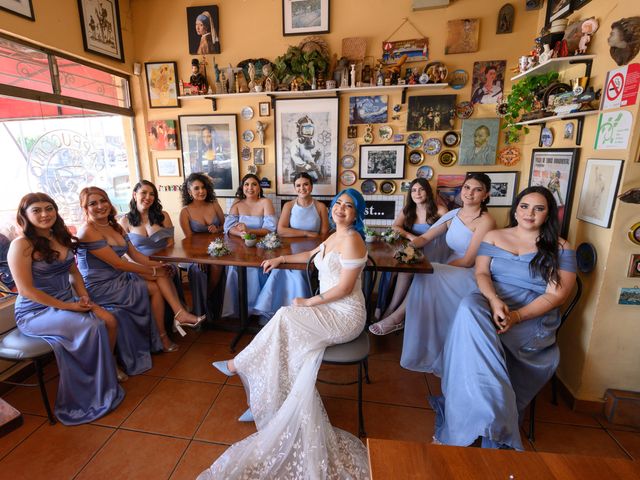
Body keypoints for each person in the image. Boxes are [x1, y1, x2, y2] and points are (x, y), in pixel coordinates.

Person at [201, 188, 371, 479]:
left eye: (349, 206)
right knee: (283, 332)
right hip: (329, 309)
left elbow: (344, 289)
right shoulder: (333, 235)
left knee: (285, 317)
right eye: (338, 203)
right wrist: (281, 259)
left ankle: (240, 367)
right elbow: (313, 253)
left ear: (357, 213)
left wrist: (308, 301)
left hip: (346, 315)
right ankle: (264, 397)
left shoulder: (353, 240)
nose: (341, 209)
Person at [431, 186, 576, 450]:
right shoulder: (495, 236)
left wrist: (518, 316)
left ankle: (490, 422)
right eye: (524, 206)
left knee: (472, 335)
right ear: (515, 208)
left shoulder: (561, 247)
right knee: (468, 307)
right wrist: (495, 300)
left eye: (538, 208)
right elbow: (482, 274)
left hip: (533, 313)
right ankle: (489, 418)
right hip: (492, 299)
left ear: (548, 214)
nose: (529, 213)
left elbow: (557, 296)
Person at [8, 193, 124, 424]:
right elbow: (26, 290)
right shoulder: (20, 245)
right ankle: (88, 391)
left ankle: (104, 376)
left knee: (109, 320)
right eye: (37, 210)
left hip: (67, 302)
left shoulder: (60, 237)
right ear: (25, 216)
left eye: (49, 208)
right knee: (91, 326)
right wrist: (68, 306)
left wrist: (84, 298)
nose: (44, 214)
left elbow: (74, 273)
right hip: (34, 311)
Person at [76, 187, 199, 373]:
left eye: (103, 201)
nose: (100, 206)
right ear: (85, 208)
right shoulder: (88, 231)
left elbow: (136, 255)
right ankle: (171, 326)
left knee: (161, 276)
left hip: (119, 278)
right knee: (157, 280)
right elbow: (119, 264)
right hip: (101, 285)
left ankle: (169, 327)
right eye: (93, 203)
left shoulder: (114, 226)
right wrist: (152, 271)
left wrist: (157, 266)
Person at [401, 173, 496, 374]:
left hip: (471, 271)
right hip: (450, 266)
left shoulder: (486, 221)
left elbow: (469, 259)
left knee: (428, 272)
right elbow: (426, 237)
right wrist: (408, 248)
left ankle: (397, 316)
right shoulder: (453, 214)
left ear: (485, 195)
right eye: (467, 188)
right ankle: (422, 345)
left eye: (477, 189)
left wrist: (438, 265)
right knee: (425, 271)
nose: (470, 193)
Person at [119, 180, 204, 336]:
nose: (148, 197)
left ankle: (172, 322)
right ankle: (178, 315)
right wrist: (143, 266)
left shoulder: (163, 216)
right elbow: (123, 253)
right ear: (134, 195)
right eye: (144, 193)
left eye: (152, 194)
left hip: (164, 261)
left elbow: (171, 244)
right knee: (159, 274)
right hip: (138, 266)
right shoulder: (124, 221)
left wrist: (165, 261)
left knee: (163, 271)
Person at [369, 178, 449, 335]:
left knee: (413, 271)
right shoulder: (408, 210)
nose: (417, 193)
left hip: (434, 251)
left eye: (421, 189)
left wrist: (412, 242)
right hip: (414, 249)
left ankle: (392, 314)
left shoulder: (440, 210)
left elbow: (437, 236)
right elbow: (395, 226)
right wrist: (410, 236)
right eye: (413, 190)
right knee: (402, 270)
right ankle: (389, 309)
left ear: (428, 192)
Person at [253, 172, 329, 321]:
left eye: (305, 184)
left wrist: (308, 237)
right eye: (298, 185)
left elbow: (323, 234)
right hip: (291, 248)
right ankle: (276, 311)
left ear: (311, 186)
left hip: (312, 251)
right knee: (280, 269)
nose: (302, 188)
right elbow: (281, 230)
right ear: (295, 188)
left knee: (300, 272)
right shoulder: (289, 205)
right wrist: (307, 233)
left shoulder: (320, 207)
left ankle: (298, 314)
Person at [222, 174, 277, 318]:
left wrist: (249, 230)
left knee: (260, 270)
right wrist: (240, 234)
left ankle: (259, 309)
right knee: (235, 267)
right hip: (241, 247)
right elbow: (228, 228)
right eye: (246, 184)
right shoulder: (237, 205)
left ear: (259, 188)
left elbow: (270, 228)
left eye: (254, 184)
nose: (250, 188)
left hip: (261, 247)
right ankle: (240, 309)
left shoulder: (266, 203)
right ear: (242, 187)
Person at [178, 173, 225, 317]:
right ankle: (200, 310)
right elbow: (189, 240)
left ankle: (208, 301)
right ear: (189, 191)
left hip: (219, 248)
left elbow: (225, 226)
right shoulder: (185, 212)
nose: (201, 191)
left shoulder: (214, 204)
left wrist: (218, 229)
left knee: (220, 265)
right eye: (196, 188)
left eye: (203, 187)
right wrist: (199, 258)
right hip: (197, 252)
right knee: (198, 271)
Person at [290, 115, 323, 181]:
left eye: (309, 129)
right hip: (301, 170)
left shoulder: (310, 143)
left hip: (310, 168)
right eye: (306, 129)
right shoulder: (295, 143)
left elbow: (308, 156)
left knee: (317, 177)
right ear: (299, 129)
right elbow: (295, 156)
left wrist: (317, 155)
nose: (308, 132)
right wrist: (304, 165)